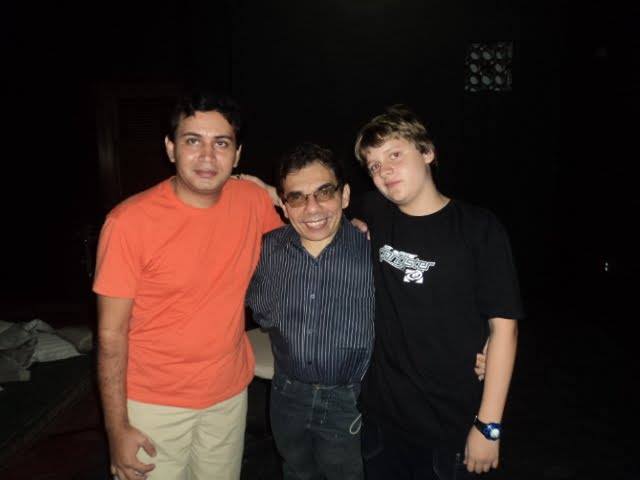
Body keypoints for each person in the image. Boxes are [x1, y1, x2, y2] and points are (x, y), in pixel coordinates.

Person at [93, 91, 282, 480]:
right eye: (193, 141)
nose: (208, 156)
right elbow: (110, 335)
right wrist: (116, 428)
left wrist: (277, 195)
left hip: (228, 395)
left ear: (237, 155)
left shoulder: (251, 201)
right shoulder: (128, 223)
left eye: (221, 143)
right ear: (170, 148)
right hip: (152, 405)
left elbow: (309, 234)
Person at [353, 105, 524, 479]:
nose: (384, 171)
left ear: (427, 152)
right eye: (374, 165)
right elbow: (319, 208)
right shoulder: (375, 210)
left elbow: (505, 330)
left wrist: (488, 426)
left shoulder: (478, 228)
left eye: (395, 155)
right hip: (382, 421)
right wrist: (267, 191)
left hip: (452, 427)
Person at [246, 143, 375, 480]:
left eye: (324, 192)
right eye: (297, 197)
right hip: (286, 394)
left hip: (351, 400)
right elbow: (258, 309)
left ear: (345, 196)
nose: (312, 208)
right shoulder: (266, 251)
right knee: (296, 472)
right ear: (284, 205)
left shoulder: (373, 251)